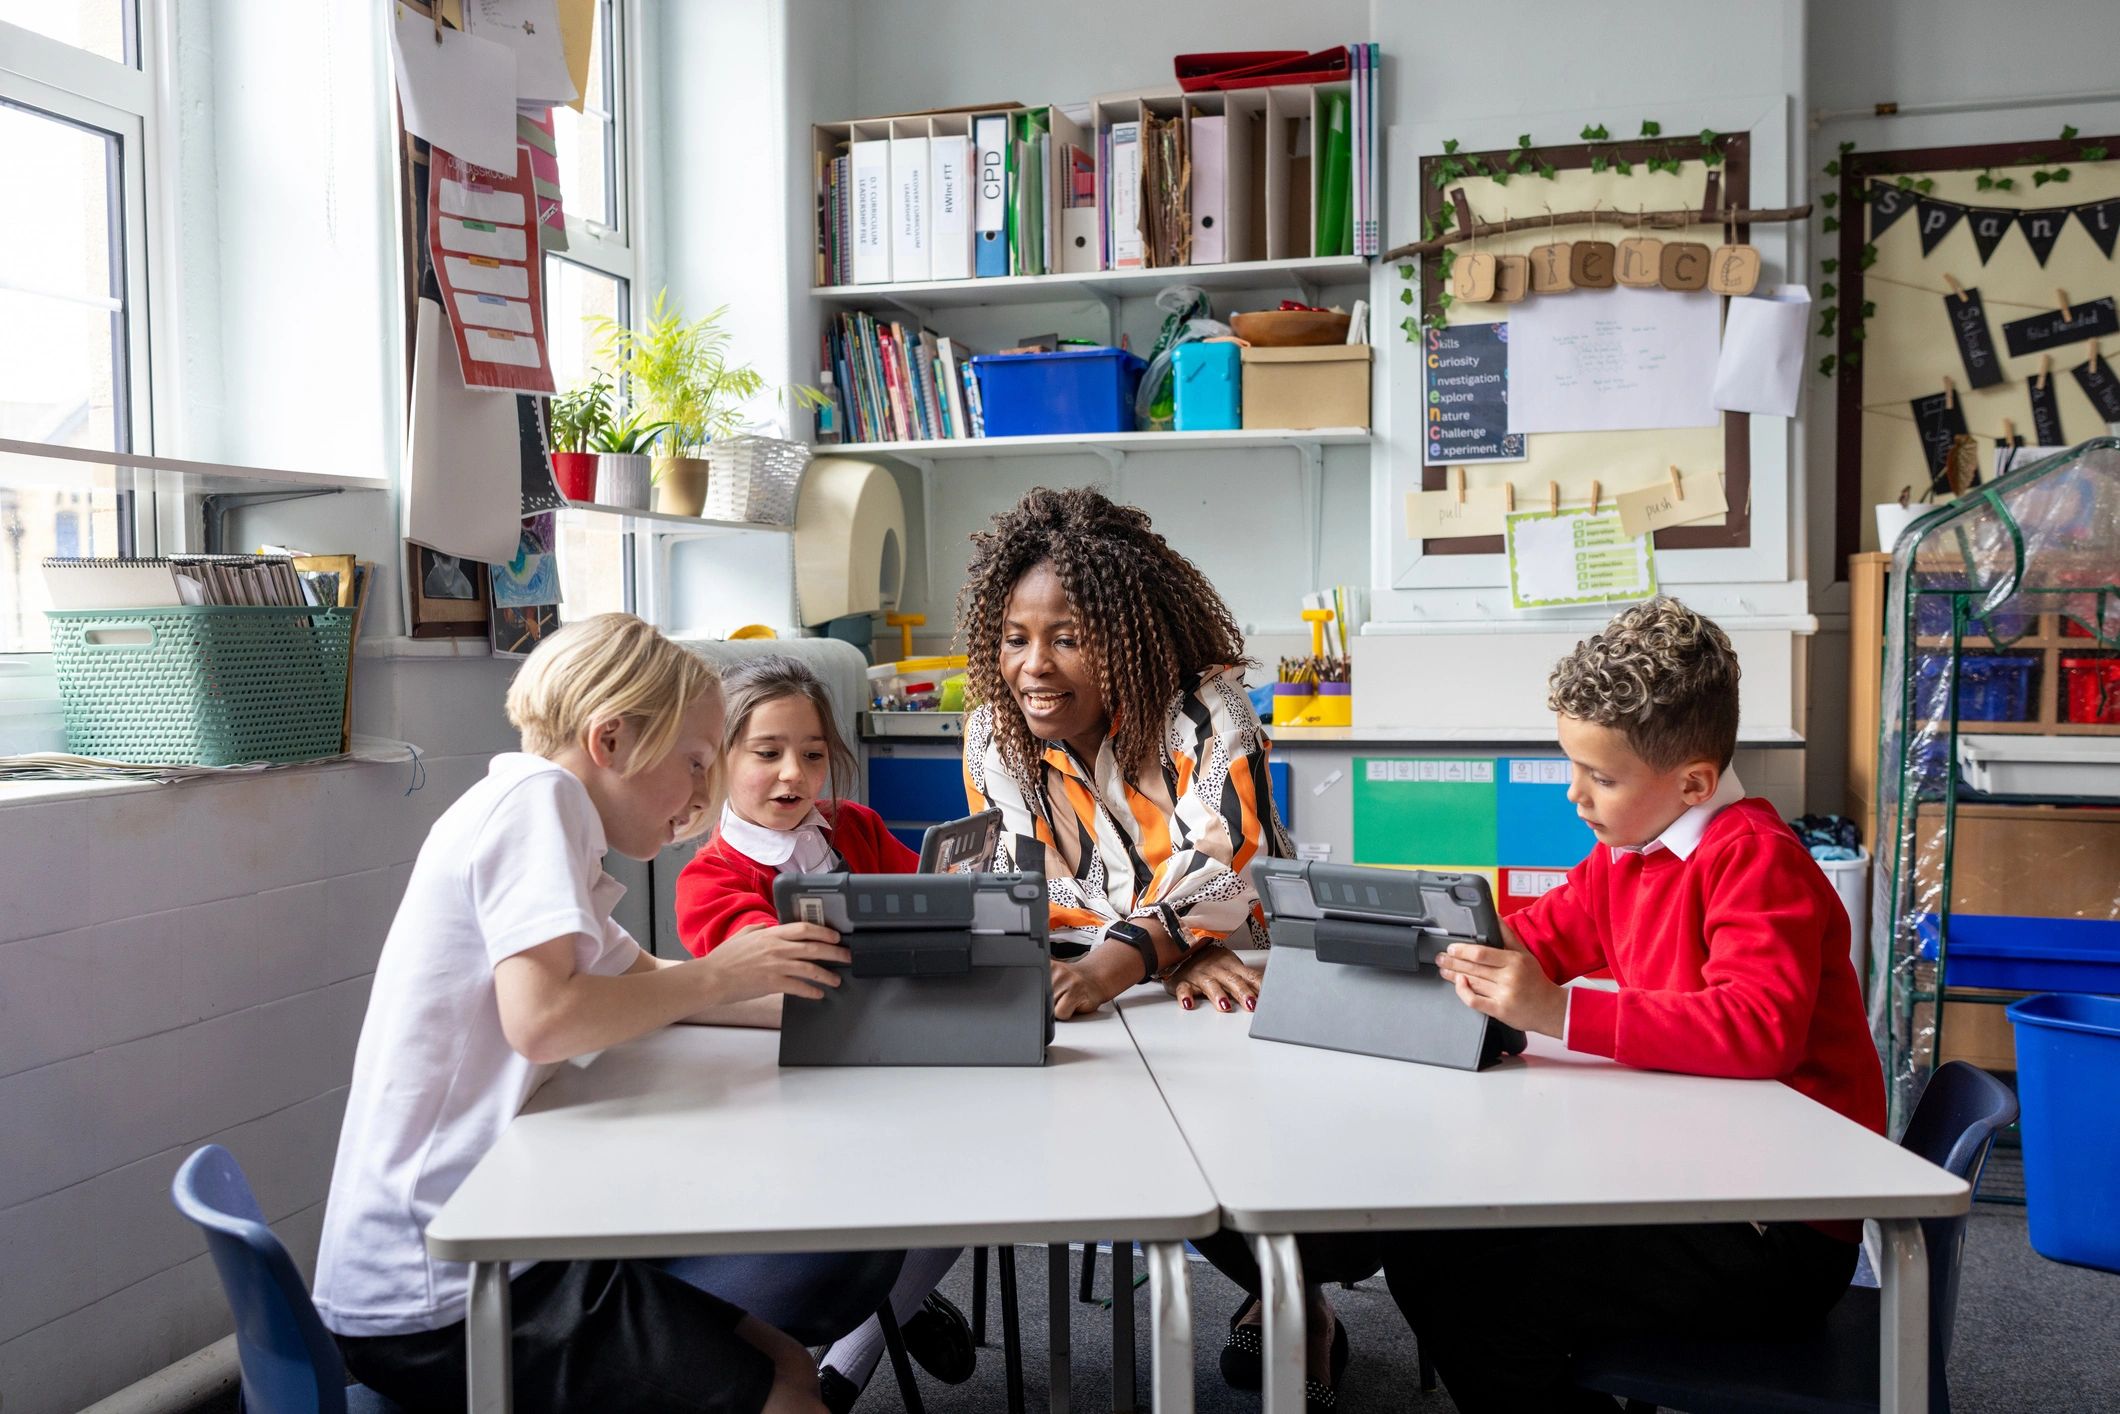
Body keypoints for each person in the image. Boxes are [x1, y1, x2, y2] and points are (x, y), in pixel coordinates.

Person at [312, 614, 891, 1414]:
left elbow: (649, 977)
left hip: (492, 1246)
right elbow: (546, 1018)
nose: (699, 797)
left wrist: (840, 1018)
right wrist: (723, 975)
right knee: (781, 1394)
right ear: (610, 740)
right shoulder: (534, 801)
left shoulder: (548, 823)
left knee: (789, 1363)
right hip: (437, 1292)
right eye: (694, 764)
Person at [1384, 596, 1886, 1413]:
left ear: (1691, 783)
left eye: (1601, 777)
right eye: (1572, 767)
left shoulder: (1756, 860)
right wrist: (1438, 943)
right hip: (1689, 1176)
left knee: (1473, 1279)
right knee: (1430, 1244)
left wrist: (1559, 1013)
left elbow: (1757, 1030)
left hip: (1777, 1230)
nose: (1574, 797)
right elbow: (1547, 933)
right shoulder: (1631, 847)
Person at [956, 486, 1373, 1409]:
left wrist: (1131, 954)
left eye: (1067, 637)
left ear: (1129, 633)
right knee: (1113, 1123)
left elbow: (1228, 864)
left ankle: (1295, 1292)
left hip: (1248, 968)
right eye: (1016, 638)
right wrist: (1165, 945)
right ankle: (1280, 1289)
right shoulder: (995, 735)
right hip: (1146, 974)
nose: (1034, 666)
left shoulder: (1207, 713)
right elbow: (1039, 892)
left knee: (1224, 1132)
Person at [674, 655, 973, 1413]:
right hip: (790, 1105)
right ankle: (874, 1325)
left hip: (888, 1067)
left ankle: (855, 1353)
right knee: (918, 1190)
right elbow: (784, 976)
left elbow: (934, 913)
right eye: (766, 752)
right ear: (718, 760)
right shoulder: (711, 877)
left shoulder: (856, 827)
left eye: (811, 754)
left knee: (970, 1179)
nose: (792, 774)